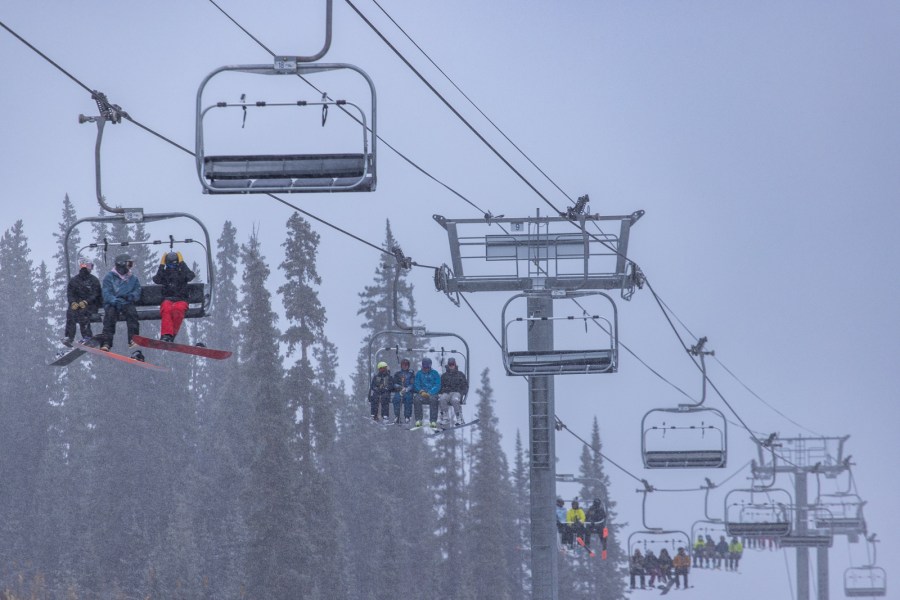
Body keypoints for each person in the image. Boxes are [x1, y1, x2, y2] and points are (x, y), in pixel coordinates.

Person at [98, 254, 141, 353]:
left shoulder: (132, 278)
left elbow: (137, 291)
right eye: (128, 264)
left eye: (131, 264)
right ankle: (106, 342)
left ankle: (133, 339)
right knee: (110, 316)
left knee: (132, 314)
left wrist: (130, 297)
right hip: (113, 303)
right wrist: (113, 300)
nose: (130, 267)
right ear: (121, 264)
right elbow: (106, 292)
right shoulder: (109, 277)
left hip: (126, 302)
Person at [151, 250, 195, 343]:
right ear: (167, 264)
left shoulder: (182, 273)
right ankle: (166, 335)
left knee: (178, 309)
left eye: (174, 265)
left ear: (178, 264)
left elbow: (191, 276)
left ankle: (172, 335)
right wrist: (161, 265)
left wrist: (182, 263)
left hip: (181, 300)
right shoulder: (165, 274)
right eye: (170, 265)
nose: (172, 267)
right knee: (166, 309)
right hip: (168, 300)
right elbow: (157, 279)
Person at [62, 260, 101, 346]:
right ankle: (69, 337)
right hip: (78, 304)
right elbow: (70, 294)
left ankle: (87, 335)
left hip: (91, 305)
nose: (89, 268)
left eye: (90, 266)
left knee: (83, 313)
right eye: (88, 266)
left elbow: (96, 294)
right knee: (71, 313)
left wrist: (86, 301)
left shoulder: (93, 281)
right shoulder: (74, 281)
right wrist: (73, 302)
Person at [437, 356, 468, 427]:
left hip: (457, 392)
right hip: (447, 392)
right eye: (450, 364)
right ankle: (445, 417)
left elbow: (465, 386)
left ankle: (459, 417)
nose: (451, 366)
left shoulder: (460, 374)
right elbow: (441, 386)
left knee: (455, 400)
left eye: (452, 364)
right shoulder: (444, 376)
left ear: (455, 364)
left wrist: (462, 393)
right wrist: (442, 391)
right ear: (448, 365)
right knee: (442, 399)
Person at [413, 357, 441, 428]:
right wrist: (421, 391)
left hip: (432, 393)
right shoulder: (419, 374)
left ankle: (433, 420)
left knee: (434, 400)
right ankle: (418, 419)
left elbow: (437, 384)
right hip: (422, 393)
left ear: (430, 365)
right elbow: (416, 384)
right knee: (416, 399)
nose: (426, 368)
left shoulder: (434, 373)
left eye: (427, 366)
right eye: (424, 366)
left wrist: (430, 392)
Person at [391, 358, 415, 424]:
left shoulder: (411, 374)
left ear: (408, 366)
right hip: (400, 391)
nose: (405, 366)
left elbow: (412, 384)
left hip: (408, 391)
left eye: (406, 365)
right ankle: (397, 416)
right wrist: (400, 387)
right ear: (401, 366)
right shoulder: (397, 374)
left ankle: (407, 416)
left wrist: (407, 389)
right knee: (396, 399)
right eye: (403, 365)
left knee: (408, 399)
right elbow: (394, 383)